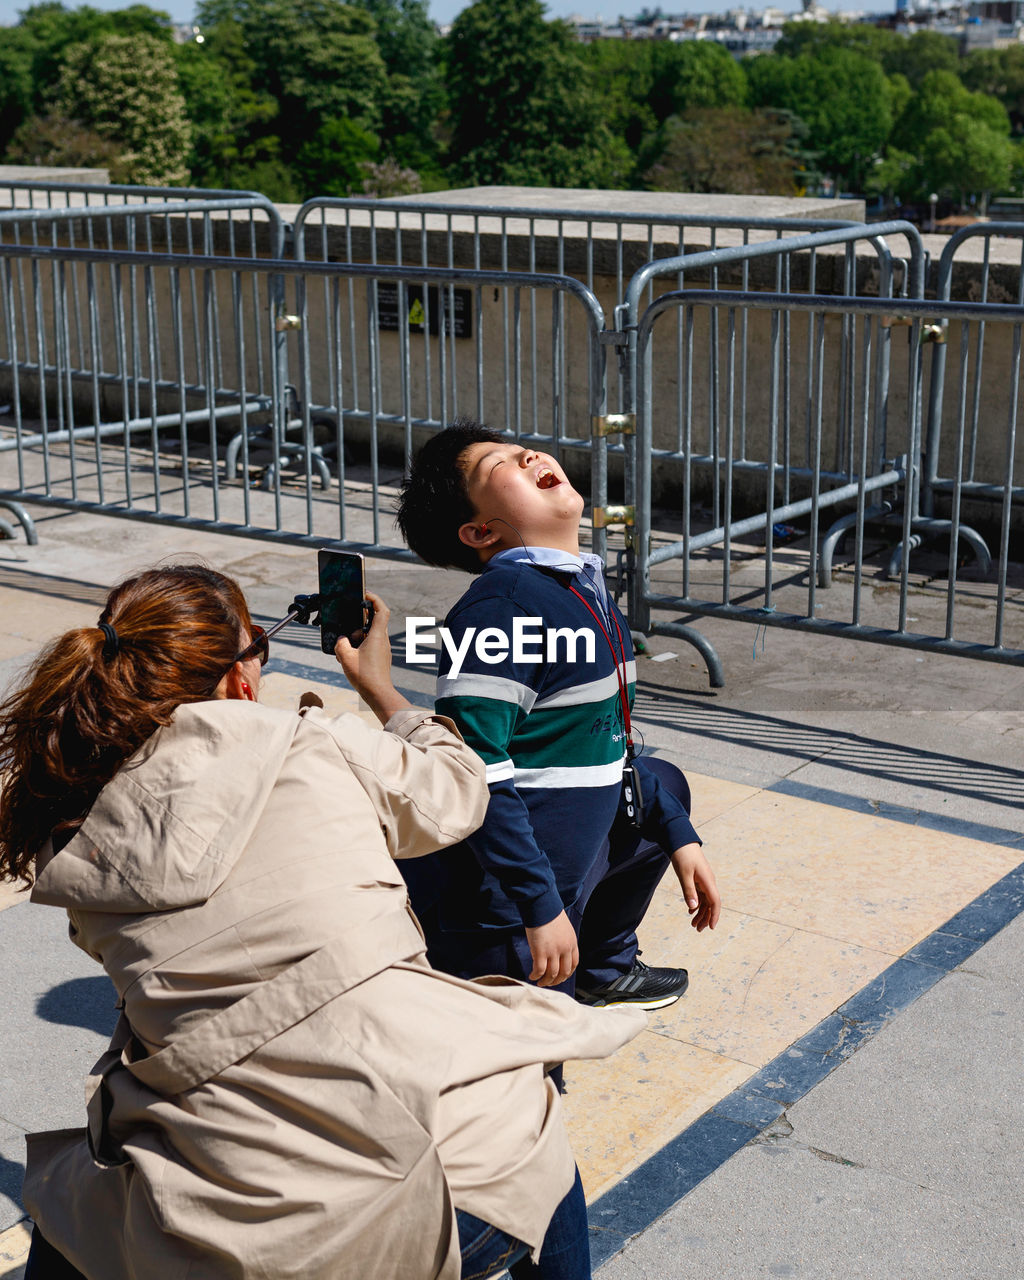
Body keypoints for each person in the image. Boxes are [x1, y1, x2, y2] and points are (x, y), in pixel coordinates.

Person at [0, 563, 646, 1280]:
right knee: (520, 1124)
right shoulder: (312, 742)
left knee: (68, 1205)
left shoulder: (74, 835)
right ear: (242, 676)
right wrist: (381, 689)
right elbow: (460, 793)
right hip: (443, 1211)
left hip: (222, 1235)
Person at [395, 420, 721, 1009]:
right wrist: (539, 907)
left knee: (663, 785)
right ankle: (546, 958)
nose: (527, 456)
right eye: (499, 466)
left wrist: (677, 834)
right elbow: (479, 772)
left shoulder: (575, 586)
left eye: (522, 449)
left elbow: (609, 741)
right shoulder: (504, 609)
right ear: (478, 532)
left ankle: (605, 967)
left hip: (568, 859)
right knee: (533, 1072)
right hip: (506, 909)